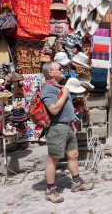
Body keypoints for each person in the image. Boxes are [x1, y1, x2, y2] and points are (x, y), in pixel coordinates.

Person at [41, 61, 94, 203]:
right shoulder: (48, 88)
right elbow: (53, 109)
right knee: (54, 158)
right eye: (59, 68)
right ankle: (50, 190)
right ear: (50, 72)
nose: (62, 70)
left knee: (73, 154)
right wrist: (65, 93)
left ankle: (77, 182)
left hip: (68, 126)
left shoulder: (59, 86)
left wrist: (72, 121)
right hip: (57, 127)